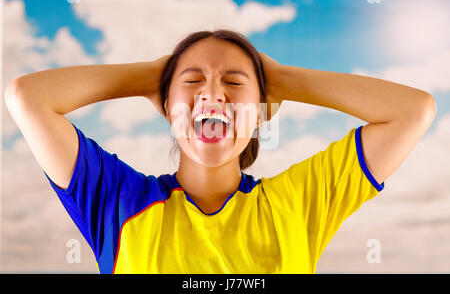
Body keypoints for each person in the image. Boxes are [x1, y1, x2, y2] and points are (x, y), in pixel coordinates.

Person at [4, 29, 436, 274]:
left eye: (233, 82)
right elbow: (26, 98)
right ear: (166, 107)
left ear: (262, 111)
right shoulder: (118, 202)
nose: (213, 94)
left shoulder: (297, 204)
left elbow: (414, 110)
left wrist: (282, 79)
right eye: (192, 82)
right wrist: (150, 75)